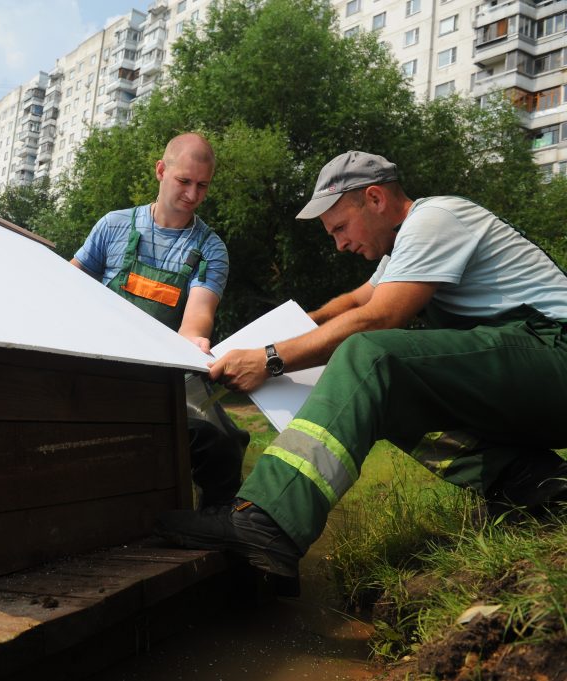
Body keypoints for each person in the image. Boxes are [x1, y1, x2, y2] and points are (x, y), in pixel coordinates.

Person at [155, 150, 567, 580]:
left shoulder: (436, 219)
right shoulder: (401, 248)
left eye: (339, 228)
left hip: (556, 351)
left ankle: (269, 522)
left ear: (374, 199)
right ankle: (534, 484)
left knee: (372, 355)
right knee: (393, 389)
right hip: (532, 366)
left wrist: (272, 359)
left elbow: (378, 318)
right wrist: (279, 334)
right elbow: (356, 301)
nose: (340, 244)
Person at [72, 132, 249, 509]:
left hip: (167, 370)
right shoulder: (112, 226)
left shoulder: (210, 249)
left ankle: (217, 530)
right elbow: (69, 289)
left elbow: (195, 323)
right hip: (97, 360)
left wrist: (196, 341)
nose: (192, 195)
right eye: (184, 181)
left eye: (202, 186)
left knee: (221, 442)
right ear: (160, 171)